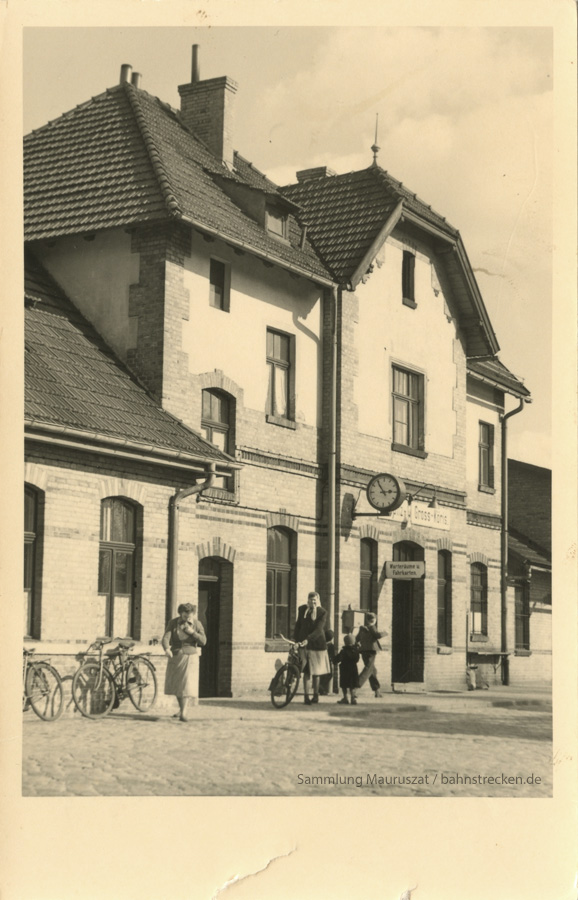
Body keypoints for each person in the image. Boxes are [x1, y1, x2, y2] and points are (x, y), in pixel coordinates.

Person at [162, 602, 206, 721]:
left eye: (190, 615)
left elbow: (203, 641)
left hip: (190, 656)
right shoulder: (173, 623)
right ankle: (182, 709)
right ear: (180, 613)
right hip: (176, 655)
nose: (188, 618)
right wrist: (166, 649)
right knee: (178, 685)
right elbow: (166, 637)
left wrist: (193, 633)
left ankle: (184, 713)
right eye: (185, 615)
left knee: (185, 684)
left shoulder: (197, 624)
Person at [293, 591, 331, 704]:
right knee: (307, 671)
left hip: (317, 645)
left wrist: (308, 639)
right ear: (307, 600)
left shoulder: (322, 612)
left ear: (318, 600)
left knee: (316, 672)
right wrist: (296, 640)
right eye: (311, 600)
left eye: (315, 600)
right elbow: (298, 625)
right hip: (303, 644)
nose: (313, 602)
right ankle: (306, 697)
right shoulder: (302, 610)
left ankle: (316, 696)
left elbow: (319, 630)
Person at [357, 611, 384, 697]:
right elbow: (377, 635)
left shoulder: (362, 629)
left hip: (363, 651)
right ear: (374, 620)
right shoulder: (372, 627)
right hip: (371, 650)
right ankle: (355, 686)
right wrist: (385, 632)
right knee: (368, 669)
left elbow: (357, 638)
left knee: (372, 670)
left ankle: (377, 690)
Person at [333, 633, 360, 704]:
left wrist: (334, 659)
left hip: (344, 670)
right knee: (352, 685)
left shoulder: (344, 651)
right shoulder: (356, 650)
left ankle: (345, 697)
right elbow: (357, 659)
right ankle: (353, 698)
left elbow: (338, 659)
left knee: (344, 684)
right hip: (353, 669)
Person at [318, 629, 335, 695]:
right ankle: (321, 687)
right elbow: (332, 655)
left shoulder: (322, 644)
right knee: (329, 675)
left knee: (322, 675)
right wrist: (334, 661)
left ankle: (321, 688)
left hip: (321, 661)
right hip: (327, 662)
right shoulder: (331, 646)